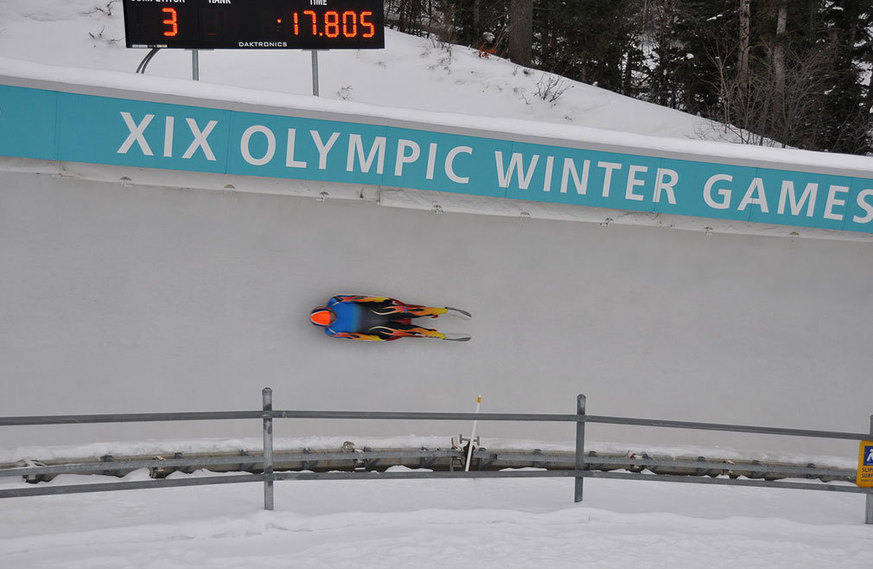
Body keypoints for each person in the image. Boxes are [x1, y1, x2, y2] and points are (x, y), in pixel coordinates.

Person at [309, 295, 452, 341]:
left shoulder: (337, 301)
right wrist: (376, 338)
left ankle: (436, 311)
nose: (333, 318)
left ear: (328, 309)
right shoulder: (332, 332)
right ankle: (434, 334)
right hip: (376, 329)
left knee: (405, 311)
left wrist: (380, 299)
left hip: (377, 311)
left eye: (330, 314)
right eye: (330, 320)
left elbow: (360, 298)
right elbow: (355, 336)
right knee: (404, 330)